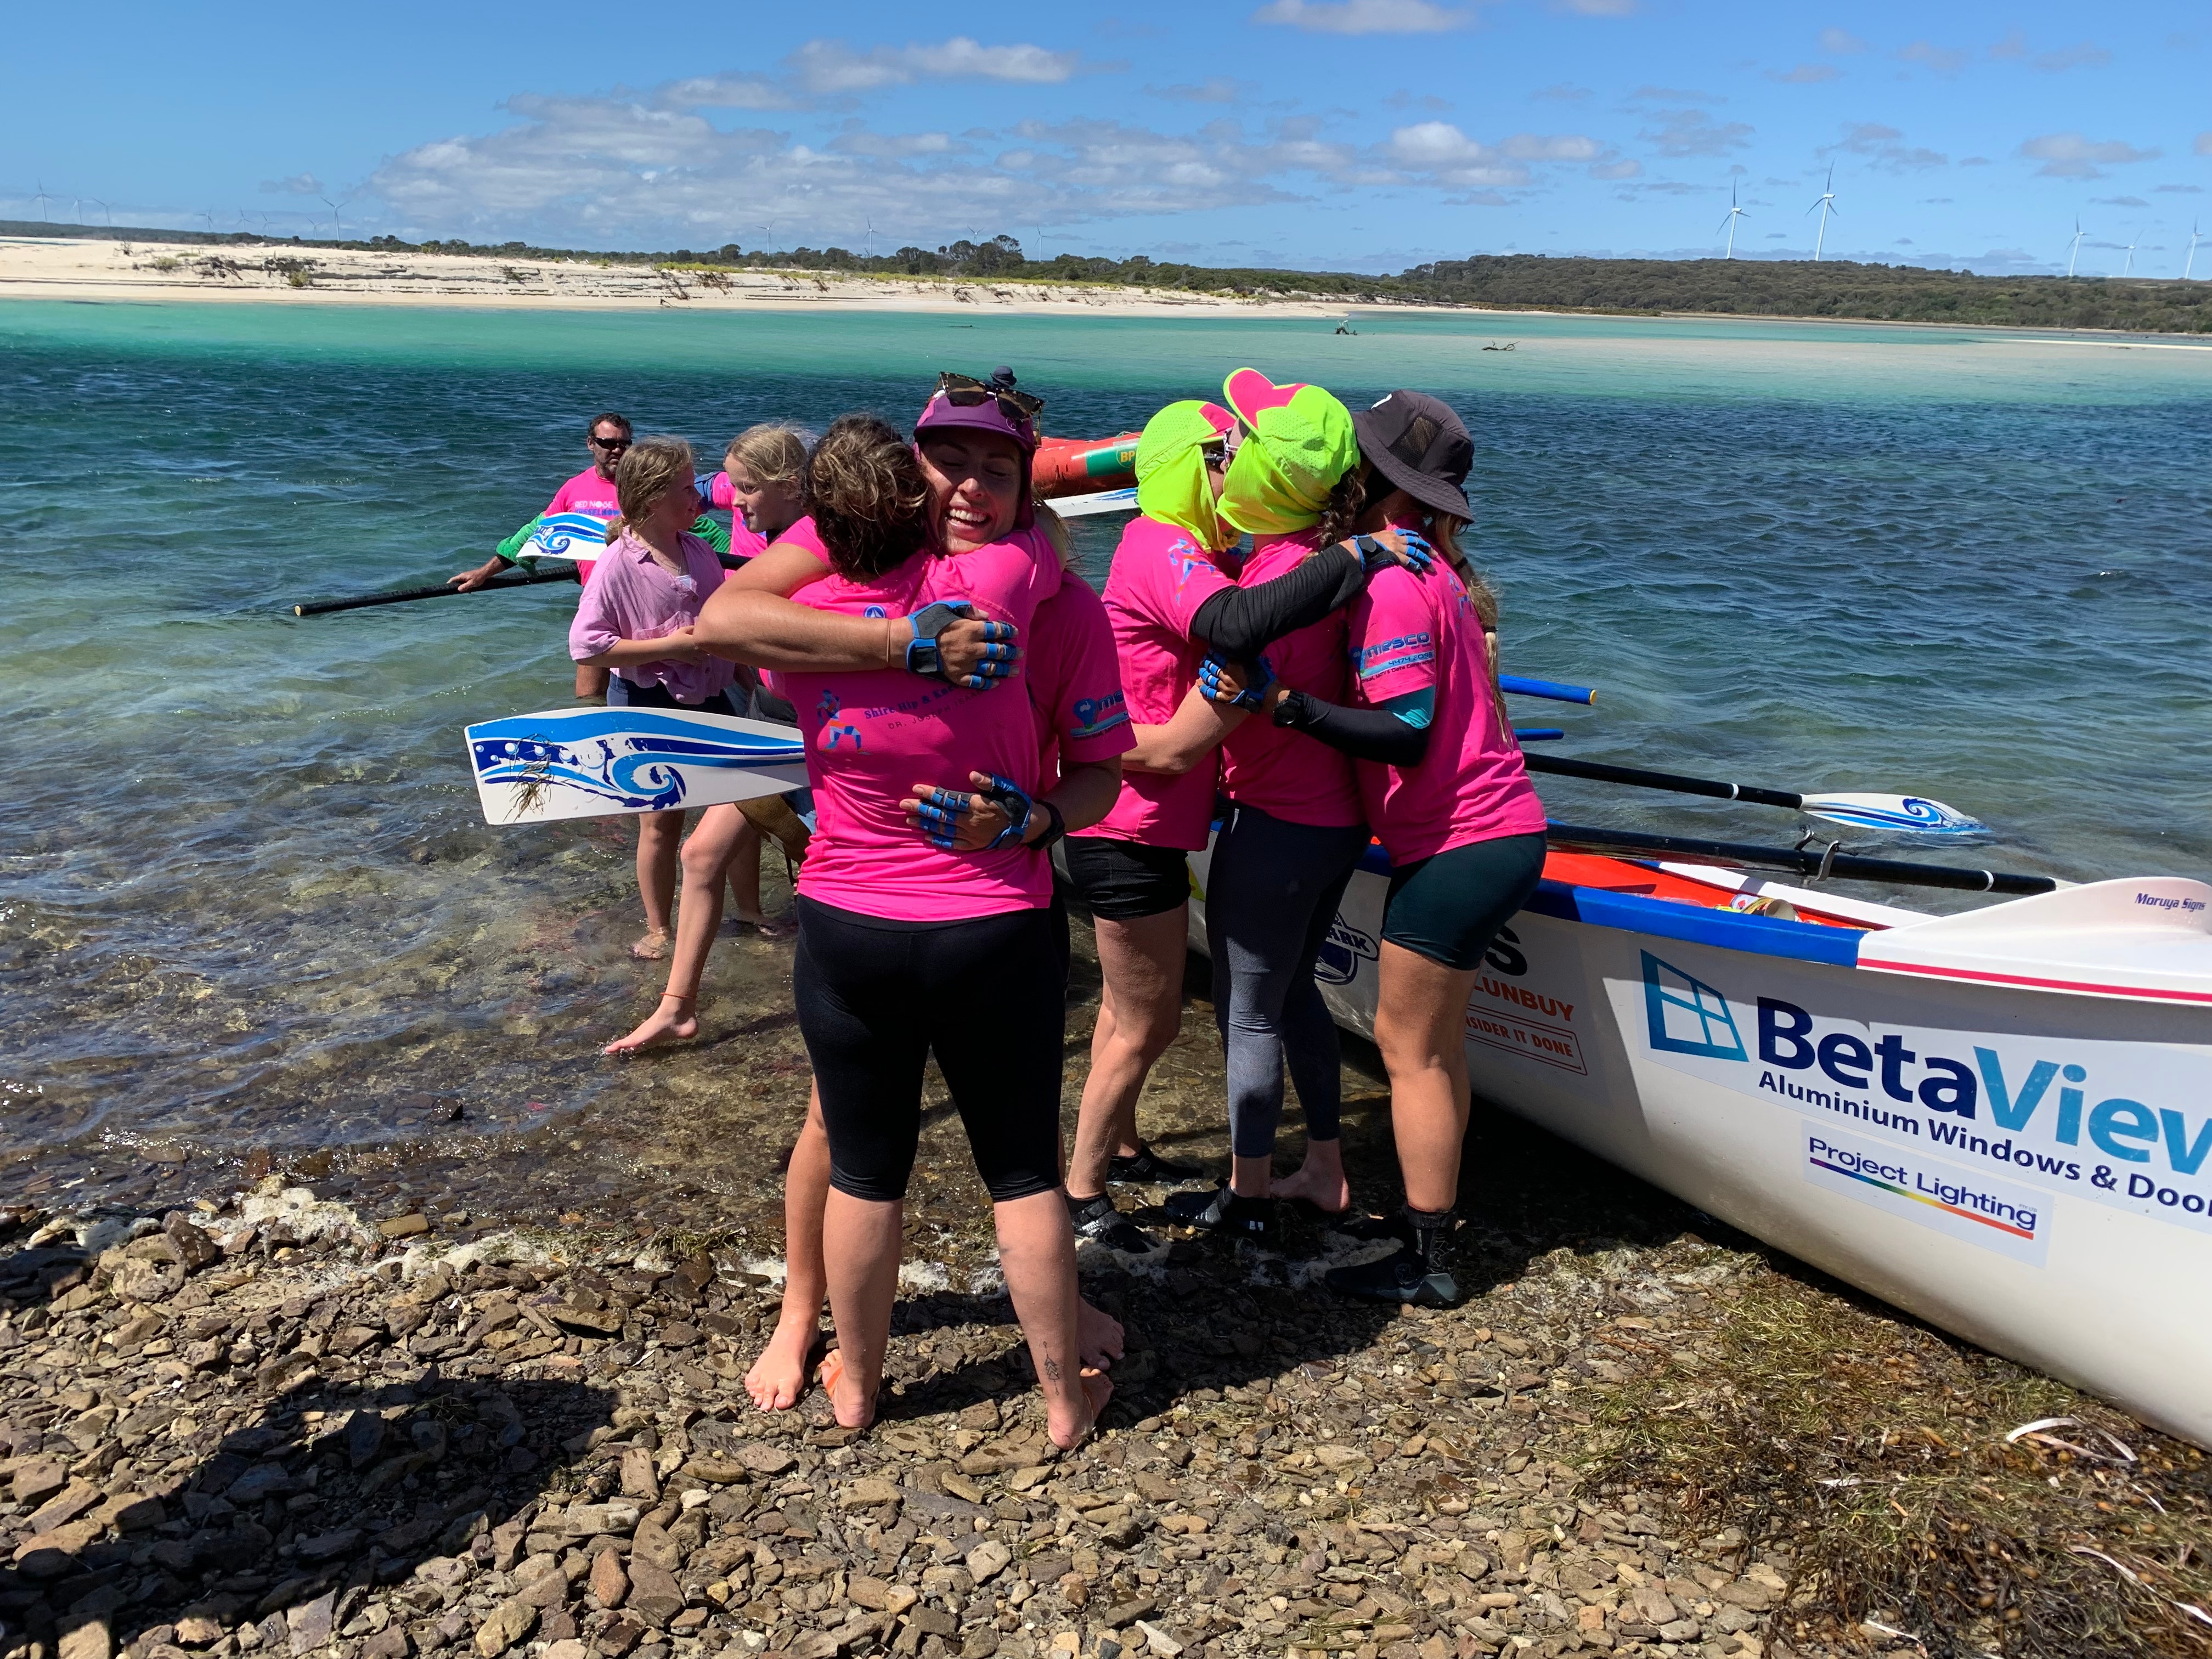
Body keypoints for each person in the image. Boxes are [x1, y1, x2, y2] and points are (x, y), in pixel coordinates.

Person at [696, 387, 1119, 1448]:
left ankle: (860, 1381)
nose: (971, 486)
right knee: (1015, 1169)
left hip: (859, 922)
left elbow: (1101, 778)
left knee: (864, 1165)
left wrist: (1032, 818)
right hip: (985, 928)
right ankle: (1063, 1398)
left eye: (996, 468)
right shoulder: (1028, 579)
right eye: (949, 463)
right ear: (910, 476)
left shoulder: (821, 600)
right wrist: (908, 645)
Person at [1059, 387, 1431, 1253]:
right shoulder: (1166, 550)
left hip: (1186, 819)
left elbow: (1239, 650)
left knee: (1141, 1016)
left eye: (1241, 455)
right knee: (1146, 1021)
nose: (1229, 466)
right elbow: (1179, 734)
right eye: (1218, 455)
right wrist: (1359, 559)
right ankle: (1084, 1192)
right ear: (1189, 472)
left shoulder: (1226, 559)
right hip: (1131, 820)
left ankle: (1124, 1152)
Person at [1208, 391, 1545, 1307]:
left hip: (1461, 840)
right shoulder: (1434, 566)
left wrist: (1284, 709)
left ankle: (1429, 1257)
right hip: (1498, 831)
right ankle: (1430, 1218)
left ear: (1379, 487)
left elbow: (1404, 727)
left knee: (1408, 1047)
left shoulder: (1393, 580)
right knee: (1434, 1048)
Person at [1167, 370, 1426, 1249]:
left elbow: (1233, 626)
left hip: (1275, 824)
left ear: (1266, 481)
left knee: (1247, 1008)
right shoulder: (1325, 565)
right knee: (1295, 990)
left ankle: (1246, 1192)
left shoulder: (1281, 579)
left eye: (1236, 446)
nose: (1225, 454)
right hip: (1335, 822)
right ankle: (1324, 1165)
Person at [602, 426, 814, 1054]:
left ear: (790, 486)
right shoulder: (767, 526)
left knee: (818, 859)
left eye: (747, 489)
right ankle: (677, 1008)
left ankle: (854, 997)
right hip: (764, 717)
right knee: (700, 856)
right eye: (734, 486)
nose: (734, 501)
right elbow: (700, 489)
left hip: (809, 731)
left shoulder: (814, 542)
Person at [567, 438, 741, 963]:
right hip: (648, 698)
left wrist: (752, 675)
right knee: (660, 820)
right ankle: (659, 926)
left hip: (714, 693)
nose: (699, 497)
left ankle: (749, 909)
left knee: (743, 804)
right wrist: (674, 644)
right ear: (648, 500)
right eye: (687, 489)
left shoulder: (699, 549)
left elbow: (723, 618)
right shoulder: (617, 565)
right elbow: (587, 644)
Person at [454, 412, 738, 702]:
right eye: (608, 443)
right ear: (591, 444)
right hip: (602, 602)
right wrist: (485, 573)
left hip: (652, 609)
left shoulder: (651, 490)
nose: (617, 449)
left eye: (624, 444)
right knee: (590, 698)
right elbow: (537, 533)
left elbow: (710, 538)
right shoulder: (574, 489)